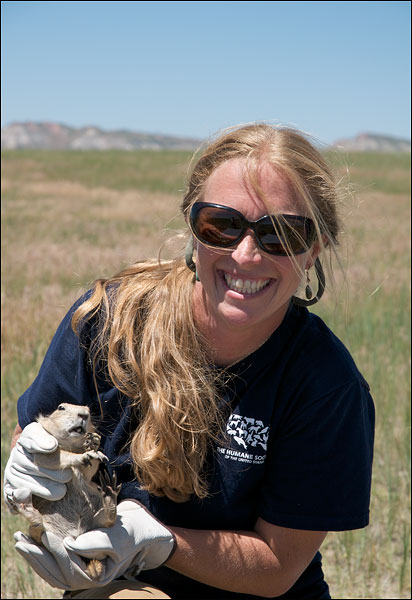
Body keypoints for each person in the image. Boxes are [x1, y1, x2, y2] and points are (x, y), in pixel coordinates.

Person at [4, 123, 375, 600]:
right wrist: (29, 461)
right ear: (192, 229)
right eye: (221, 225)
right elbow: (36, 430)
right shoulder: (108, 323)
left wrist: (153, 540)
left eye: (281, 234)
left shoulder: (326, 384)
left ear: (314, 250)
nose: (246, 254)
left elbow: (277, 565)